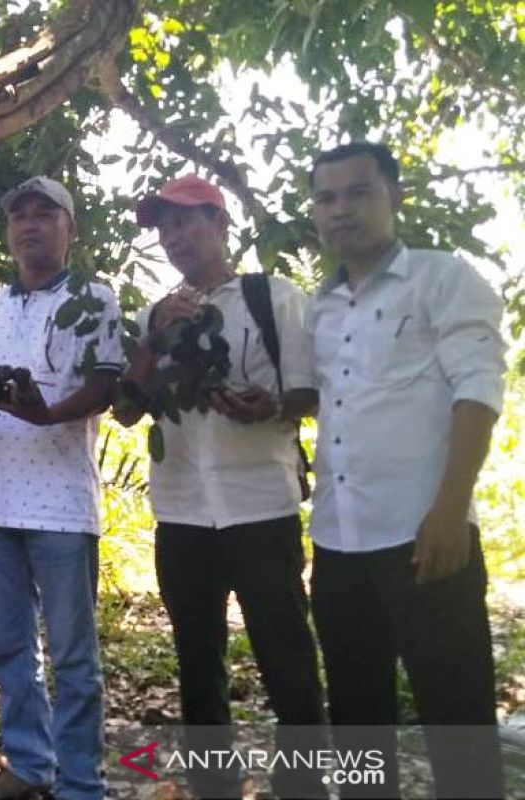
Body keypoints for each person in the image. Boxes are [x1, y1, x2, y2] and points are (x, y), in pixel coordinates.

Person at [307, 141, 507, 798]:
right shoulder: (323, 306)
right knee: (361, 728)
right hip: (338, 545)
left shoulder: (442, 278)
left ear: (395, 196)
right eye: (327, 197)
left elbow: (477, 390)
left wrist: (451, 510)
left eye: (359, 192)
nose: (341, 210)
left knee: (458, 725)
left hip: (426, 539)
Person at [117, 175, 326, 799]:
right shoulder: (155, 315)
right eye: (164, 228)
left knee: (286, 655)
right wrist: (153, 339)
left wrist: (270, 407)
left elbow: (311, 392)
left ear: (220, 221)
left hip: (261, 502)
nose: (174, 238)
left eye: (185, 222)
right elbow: (128, 409)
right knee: (197, 661)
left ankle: (304, 788)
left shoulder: (274, 298)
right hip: (181, 509)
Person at [0, 176, 119, 800]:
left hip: (62, 505)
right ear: (8, 231)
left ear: (71, 228)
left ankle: (81, 781)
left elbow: (101, 388)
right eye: (20, 215)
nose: (31, 224)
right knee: (11, 647)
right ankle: (29, 764)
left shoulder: (94, 299)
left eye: (46, 213)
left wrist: (46, 413)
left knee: (72, 656)